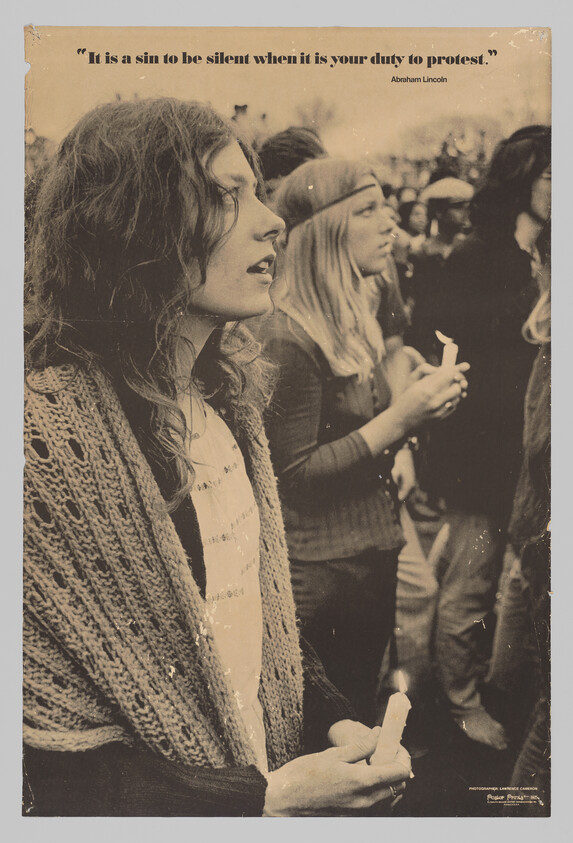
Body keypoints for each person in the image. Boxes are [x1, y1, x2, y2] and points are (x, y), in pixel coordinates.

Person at [23, 97, 413, 817]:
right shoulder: (41, 443)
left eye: (257, 193)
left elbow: (252, 623)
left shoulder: (225, 402)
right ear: (136, 226)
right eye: (225, 197)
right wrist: (265, 798)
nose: (271, 221)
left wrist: (332, 719)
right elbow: (41, 760)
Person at [258, 157, 469, 727]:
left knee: (357, 707)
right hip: (321, 573)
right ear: (324, 230)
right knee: (328, 726)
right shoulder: (286, 335)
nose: (390, 222)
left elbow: (360, 432)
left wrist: (414, 396)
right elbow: (292, 474)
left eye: (385, 207)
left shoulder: (355, 314)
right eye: (368, 210)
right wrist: (402, 418)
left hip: (369, 554)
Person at [429, 125, 550, 750]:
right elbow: (454, 352)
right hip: (482, 452)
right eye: (553, 176)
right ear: (520, 181)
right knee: (471, 581)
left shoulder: (545, 250)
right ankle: (460, 705)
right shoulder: (477, 255)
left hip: (524, 451)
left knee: (498, 577)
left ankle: (488, 684)